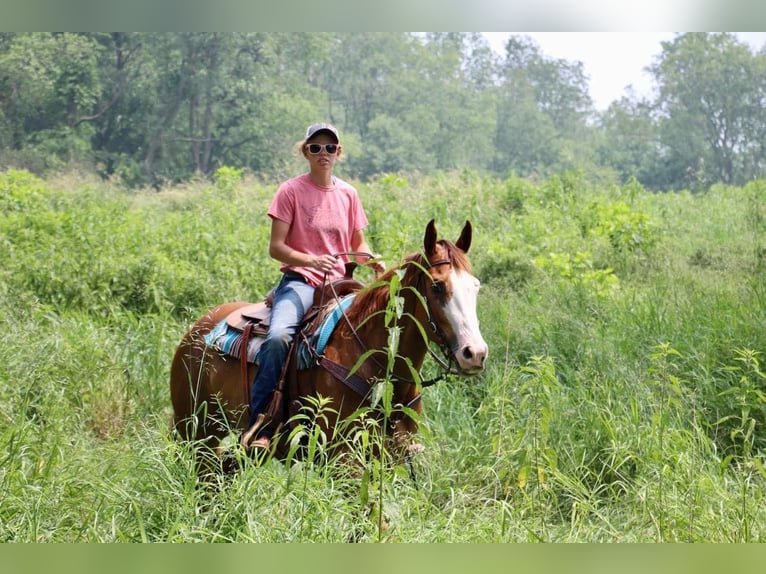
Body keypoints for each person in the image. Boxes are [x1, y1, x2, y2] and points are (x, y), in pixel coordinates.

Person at [241, 122, 384, 452]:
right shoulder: (290, 191)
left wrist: (370, 259)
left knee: (377, 330)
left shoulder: (349, 194)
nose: (324, 153)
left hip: (341, 283)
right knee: (278, 337)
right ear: (305, 151)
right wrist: (309, 261)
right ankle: (262, 422)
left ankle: (386, 423)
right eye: (316, 147)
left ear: (339, 152)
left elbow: (356, 243)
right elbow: (276, 247)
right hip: (302, 282)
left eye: (330, 148)